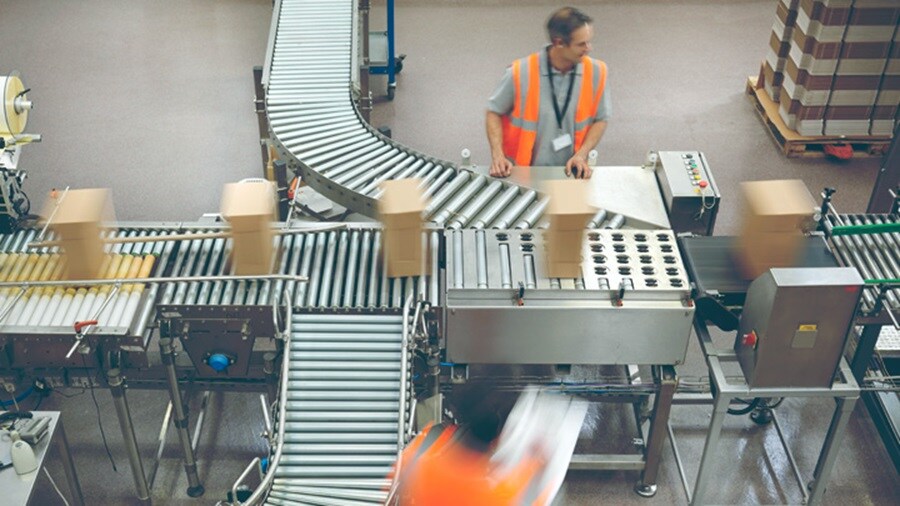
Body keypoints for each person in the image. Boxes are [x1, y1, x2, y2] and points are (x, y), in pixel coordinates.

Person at [486, 7, 610, 180]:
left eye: (589, 42)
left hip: (571, 173)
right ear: (559, 43)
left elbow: (601, 118)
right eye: (581, 44)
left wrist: (582, 154)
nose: (589, 48)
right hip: (523, 175)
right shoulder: (520, 72)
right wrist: (498, 156)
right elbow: (493, 112)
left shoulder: (597, 72)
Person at [387, 382, 547, 505]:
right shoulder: (494, 496)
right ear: (495, 441)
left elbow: (397, 477)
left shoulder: (422, 466)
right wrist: (536, 463)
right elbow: (531, 495)